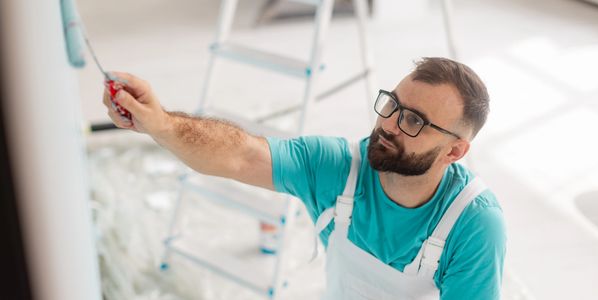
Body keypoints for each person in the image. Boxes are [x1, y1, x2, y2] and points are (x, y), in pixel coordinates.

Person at [103, 57, 506, 299]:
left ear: (454, 152)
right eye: (392, 105)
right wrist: (161, 123)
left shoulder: (472, 224)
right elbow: (241, 154)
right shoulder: (336, 168)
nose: (388, 125)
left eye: (413, 120)